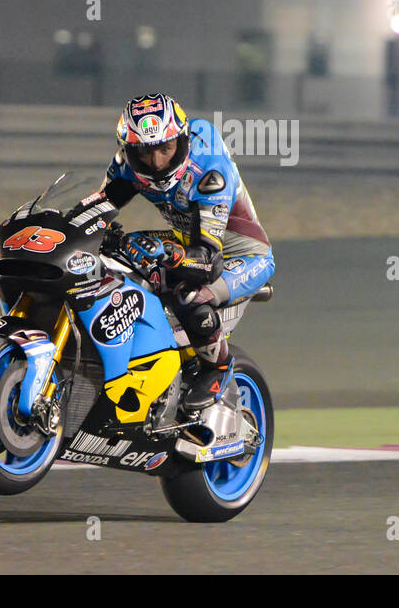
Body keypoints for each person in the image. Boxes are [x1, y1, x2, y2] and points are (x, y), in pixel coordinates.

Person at [68, 93, 274, 410]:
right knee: (116, 254)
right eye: (145, 153)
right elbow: (95, 211)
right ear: (127, 149)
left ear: (182, 139)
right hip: (187, 241)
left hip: (240, 256)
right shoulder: (126, 167)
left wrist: (167, 251)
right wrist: (57, 233)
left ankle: (217, 370)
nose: (157, 162)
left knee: (193, 295)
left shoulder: (209, 173)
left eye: (166, 149)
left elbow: (208, 261)